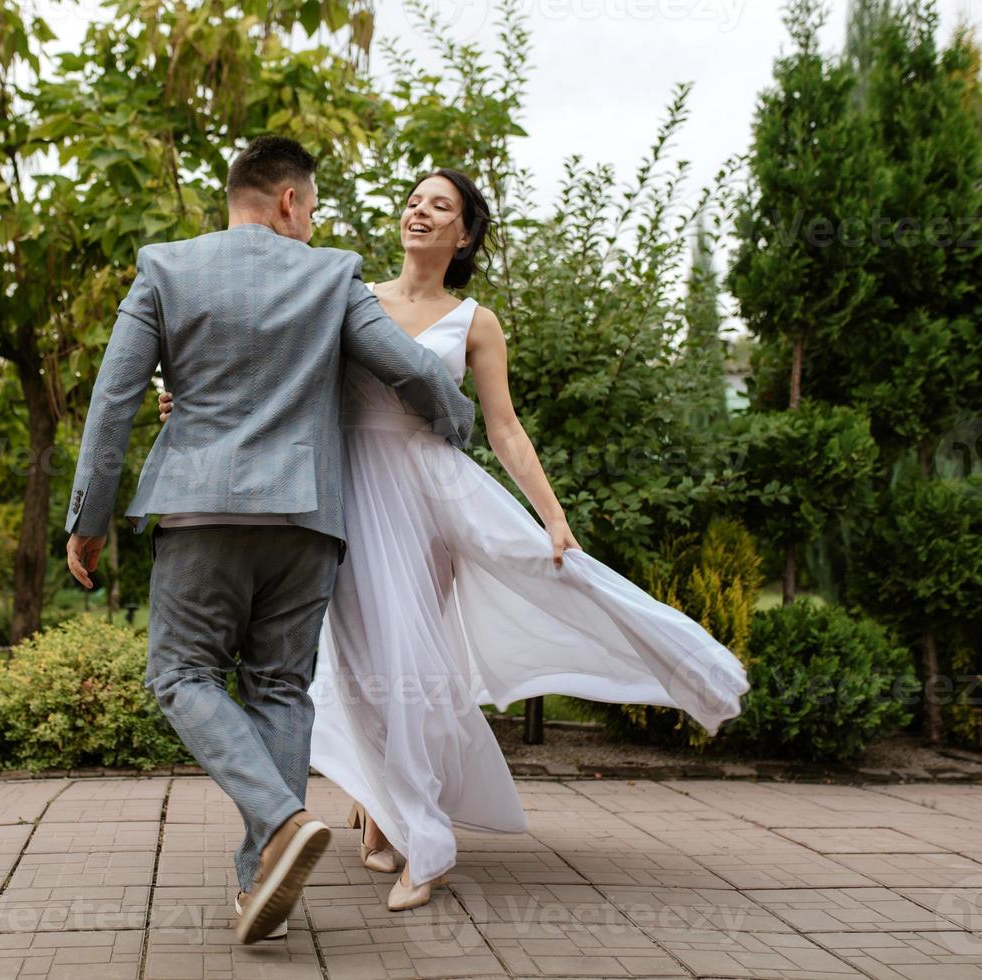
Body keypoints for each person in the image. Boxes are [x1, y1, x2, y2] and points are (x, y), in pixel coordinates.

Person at [158, 167, 750, 912]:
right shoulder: (350, 294)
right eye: (412, 201)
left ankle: (426, 843)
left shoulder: (476, 321)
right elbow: (272, 377)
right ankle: (385, 806)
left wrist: (553, 515)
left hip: (429, 499)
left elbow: (502, 426)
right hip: (347, 494)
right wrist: (193, 398)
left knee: (411, 662)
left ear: (464, 233)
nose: (419, 212)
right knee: (361, 665)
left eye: (439, 206)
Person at [63, 136, 477, 943]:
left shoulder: (165, 269)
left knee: (180, 673)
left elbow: (114, 402)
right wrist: (455, 431)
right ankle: (261, 885)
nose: (314, 223)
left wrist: (88, 518)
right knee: (281, 690)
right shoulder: (333, 276)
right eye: (314, 209)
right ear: (290, 201)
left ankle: (281, 821)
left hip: (201, 513)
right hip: (306, 522)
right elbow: (416, 374)